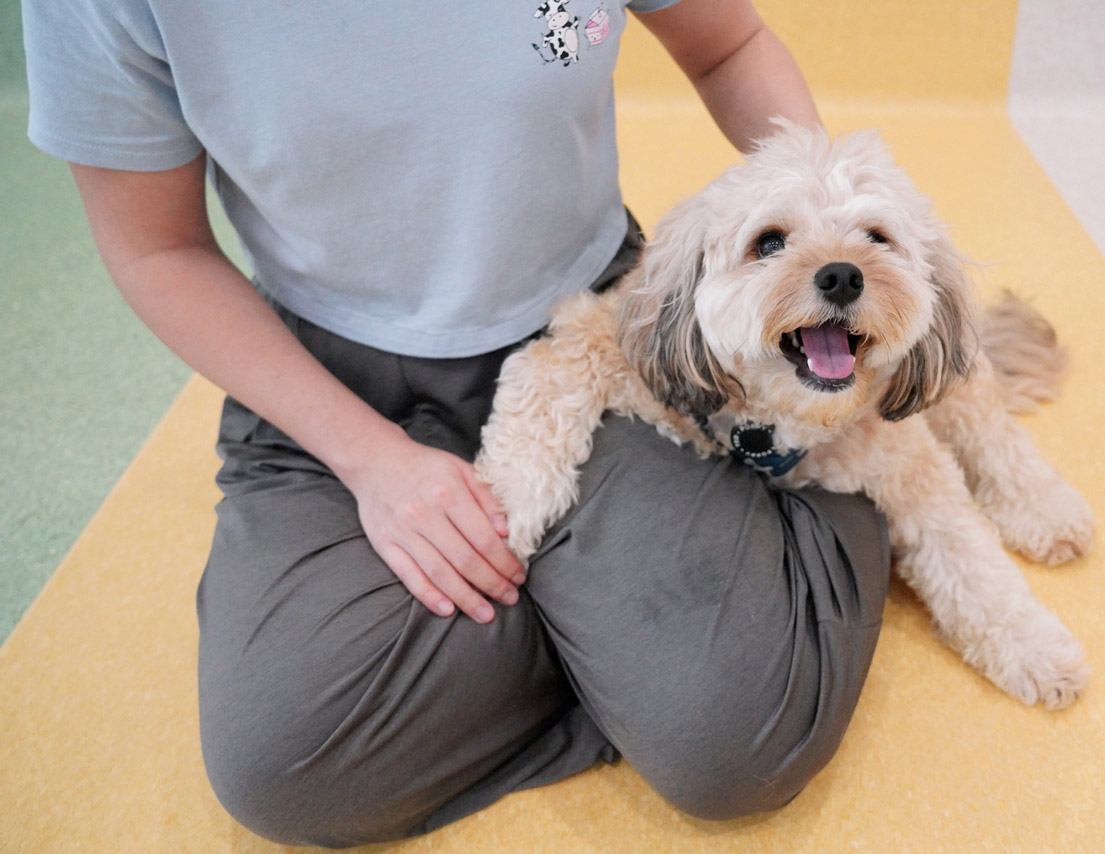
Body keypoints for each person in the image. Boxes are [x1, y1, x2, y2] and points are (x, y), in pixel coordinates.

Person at [23, 0, 891, 846]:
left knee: (735, 753)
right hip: (325, 377)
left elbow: (728, 44)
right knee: (283, 768)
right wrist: (371, 463)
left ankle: (833, 486)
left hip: (591, 334)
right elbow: (155, 246)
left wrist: (834, 245)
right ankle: (640, 642)